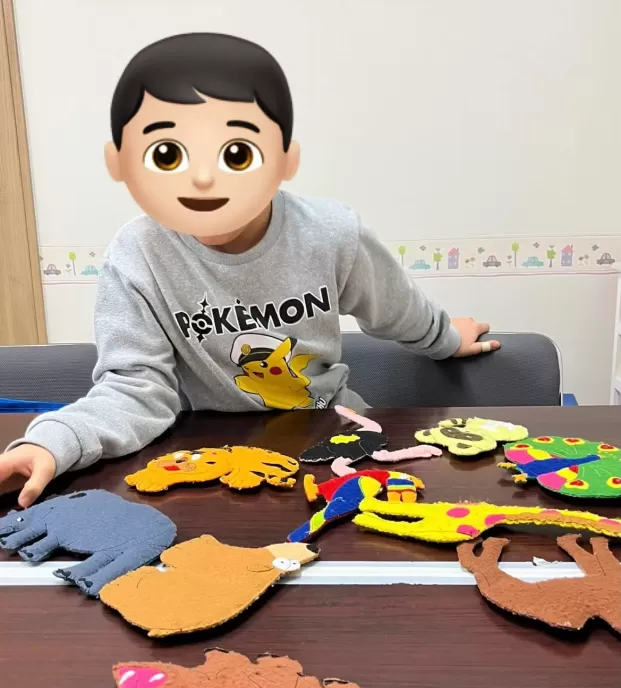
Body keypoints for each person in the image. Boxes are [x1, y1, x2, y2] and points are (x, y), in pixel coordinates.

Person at [0, 33, 499, 508]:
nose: (203, 178)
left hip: (330, 433)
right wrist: (52, 443)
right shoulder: (137, 254)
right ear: (121, 164)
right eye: (168, 154)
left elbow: (394, 308)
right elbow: (134, 388)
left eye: (236, 153)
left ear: (284, 160)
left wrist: (445, 338)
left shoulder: (330, 232)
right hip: (204, 456)